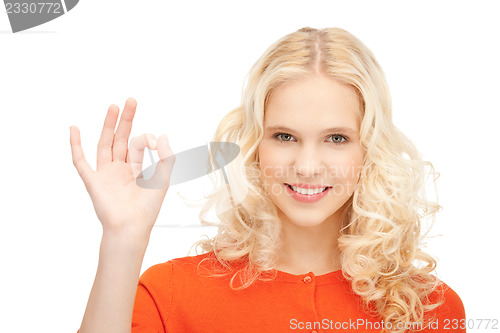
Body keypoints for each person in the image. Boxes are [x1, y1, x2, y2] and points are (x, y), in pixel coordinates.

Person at [71, 27, 466, 333]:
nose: (307, 166)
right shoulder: (171, 293)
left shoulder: (430, 307)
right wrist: (123, 239)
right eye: (284, 136)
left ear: (369, 149)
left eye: (336, 138)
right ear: (254, 144)